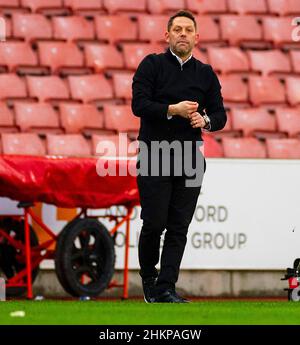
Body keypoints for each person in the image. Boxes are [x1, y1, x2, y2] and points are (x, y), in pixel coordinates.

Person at [131, 10, 227, 303]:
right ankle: (149, 277)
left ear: (197, 37)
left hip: (190, 157)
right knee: (154, 223)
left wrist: (205, 122)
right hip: (155, 154)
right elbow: (139, 105)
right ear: (168, 35)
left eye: (188, 30)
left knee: (179, 227)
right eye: (177, 29)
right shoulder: (151, 65)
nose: (183, 34)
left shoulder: (206, 73)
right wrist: (174, 109)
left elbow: (220, 114)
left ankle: (166, 287)